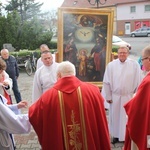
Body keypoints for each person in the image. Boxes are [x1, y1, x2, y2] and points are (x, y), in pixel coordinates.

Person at [29, 61, 111, 150]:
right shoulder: (93, 91)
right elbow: (100, 116)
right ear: (74, 73)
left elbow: (34, 115)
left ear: (59, 75)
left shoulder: (48, 96)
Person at [102, 45, 142, 143]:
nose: (122, 54)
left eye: (124, 52)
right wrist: (108, 96)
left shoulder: (134, 65)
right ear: (117, 54)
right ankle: (115, 136)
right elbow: (106, 82)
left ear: (128, 54)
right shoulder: (111, 65)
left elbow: (139, 81)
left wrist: (136, 96)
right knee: (114, 117)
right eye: (120, 53)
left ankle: (125, 136)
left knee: (126, 118)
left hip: (128, 96)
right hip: (115, 96)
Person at [123, 44, 150, 150]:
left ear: (149, 59)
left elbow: (138, 107)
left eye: (142, 59)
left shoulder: (148, 82)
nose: (142, 62)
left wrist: (131, 103)